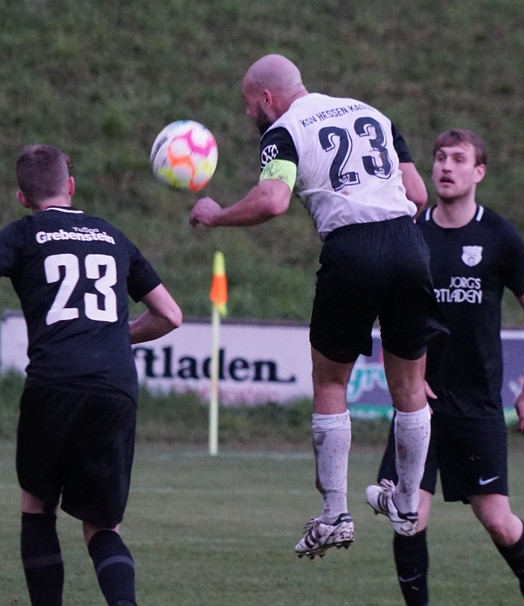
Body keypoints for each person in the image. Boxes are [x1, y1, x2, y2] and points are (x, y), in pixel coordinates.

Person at [0, 144, 182, 606]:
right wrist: (110, 336)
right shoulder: (112, 235)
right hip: (115, 389)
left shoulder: (23, 234)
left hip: (53, 386)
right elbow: (170, 315)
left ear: (22, 197)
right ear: (70, 186)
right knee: (103, 526)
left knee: (38, 507)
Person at [189, 54, 447, 558]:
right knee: (410, 386)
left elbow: (272, 200)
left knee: (331, 383)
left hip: (353, 250)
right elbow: (417, 194)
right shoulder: (372, 113)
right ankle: (406, 505)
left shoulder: (283, 131)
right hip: (409, 244)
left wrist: (218, 215)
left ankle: (334, 516)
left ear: (267, 97)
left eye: (248, 103)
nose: (248, 113)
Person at [366, 129, 524, 606]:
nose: (446, 167)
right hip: (420, 403)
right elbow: (387, 309)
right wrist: (404, 372)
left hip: (477, 405)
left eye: (459, 159)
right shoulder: (412, 233)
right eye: (439, 158)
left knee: (497, 519)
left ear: (479, 172)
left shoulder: (498, 235)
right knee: (409, 515)